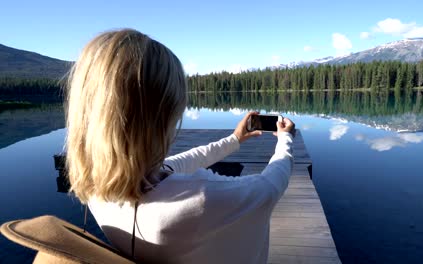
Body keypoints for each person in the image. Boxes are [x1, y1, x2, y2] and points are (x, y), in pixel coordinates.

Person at [65, 28, 295, 264]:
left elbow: (184, 161)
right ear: (157, 119)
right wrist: (285, 139)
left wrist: (234, 139)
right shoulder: (202, 200)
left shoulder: (96, 190)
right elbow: (270, 186)